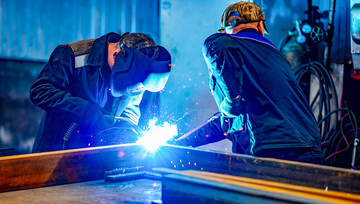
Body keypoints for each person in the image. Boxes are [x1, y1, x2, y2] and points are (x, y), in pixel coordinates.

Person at [175, 1, 323, 164]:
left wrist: (231, 103)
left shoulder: (224, 44)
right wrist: (179, 144)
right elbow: (227, 121)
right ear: (260, 27)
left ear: (226, 30)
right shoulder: (277, 58)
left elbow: (218, 44)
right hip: (310, 152)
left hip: (272, 153)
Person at [30, 32, 171, 153]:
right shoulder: (72, 55)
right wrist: (86, 112)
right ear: (117, 55)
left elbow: (130, 109)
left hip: (95, 159)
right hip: (57, 152)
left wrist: (126, 130)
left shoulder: (136, 72)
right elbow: (40, 90)